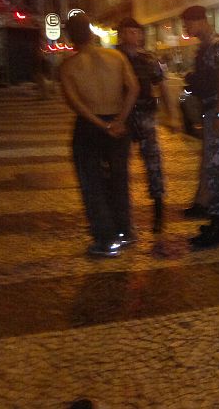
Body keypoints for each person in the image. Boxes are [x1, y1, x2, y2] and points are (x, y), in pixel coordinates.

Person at [59, 13, 139, 257]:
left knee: (92, 182)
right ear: (92, 34)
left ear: (71, 38)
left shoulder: (69, 67)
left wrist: (102, 125)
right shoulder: (116, 57)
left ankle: (106, 238)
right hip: (118, 122)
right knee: (118, 178)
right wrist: (119, 120)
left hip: (90, 128)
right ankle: (125, 231)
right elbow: (133, 88)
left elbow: (76, 105)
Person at [181, 5, 219, 248]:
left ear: (200, 20)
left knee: (218, 170)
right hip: (217, 111)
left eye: (188, 23)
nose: (186, 28)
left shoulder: (217, 46)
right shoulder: (208, 47)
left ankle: (218, 227)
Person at [116, 17, 177, 233]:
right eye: (129, 32)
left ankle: (158, 212)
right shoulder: (113, 57)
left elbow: (162, 86)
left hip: (145, 115)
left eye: (137, 32)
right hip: (121, 117)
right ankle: (121, 215)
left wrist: (172, 116)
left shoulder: (149, 59)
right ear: (121, 34)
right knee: (118, 166)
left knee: (153, 163)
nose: (134, 36)